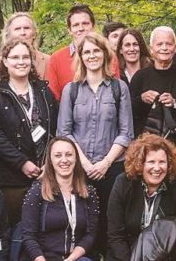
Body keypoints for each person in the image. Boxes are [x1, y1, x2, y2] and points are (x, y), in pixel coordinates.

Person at [56, 32, 132, 250]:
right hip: (80, 168)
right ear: (80, 56)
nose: (92, 55)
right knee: (83, 221)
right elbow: (65, 132)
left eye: (96, 50)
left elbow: (126, 133)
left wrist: (105, 162)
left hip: (113, 167)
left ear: (105, 54)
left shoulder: (119, 88)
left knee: (112, 221)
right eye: (86, 52)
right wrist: (87, 164)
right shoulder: (71, 90)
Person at [0, 36, 59, 222]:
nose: (21, 62)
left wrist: (49, 162)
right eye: (15, 58)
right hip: (10, 180)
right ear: (5, 61)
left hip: (45, 175)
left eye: (25, 57)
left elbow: (56, 129)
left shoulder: (44, 91)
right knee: (14, 233)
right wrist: (21, 162)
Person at [105, 134, 176, 261]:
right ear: (140, 164)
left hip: (165, 251)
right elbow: (115, 234)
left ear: (169, 164)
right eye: (151, 162)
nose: (157, 168)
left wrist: (162, 232)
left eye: (162, 162)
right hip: (127, 251)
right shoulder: (123, 183)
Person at [21, 137, 100, 261]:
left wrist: (71, 259)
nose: (64, 160)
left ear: (76, 159)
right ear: (50, 161)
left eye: (69, 155)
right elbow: (29, 236)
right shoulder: (37, 191)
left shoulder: (89, 192)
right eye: (58, 156)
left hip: (74, 258)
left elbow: (90, 235)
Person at [127, 27, 176, 137]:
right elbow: (127, 111)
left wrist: (175, 103)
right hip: (145, 141)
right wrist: (141, 99)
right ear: (151, 49)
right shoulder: (140, 76)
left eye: (169, 44)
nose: (164, 48)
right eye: (159, 44)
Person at [45, 4, 100, 98]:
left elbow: (116, 94)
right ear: (69, 30)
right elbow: (53, 99)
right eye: (76, 25)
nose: (81, 28)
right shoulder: (56, 59)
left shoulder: (108, 56)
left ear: (93, 26)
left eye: (85, 23)